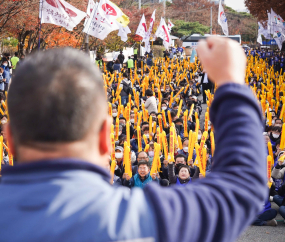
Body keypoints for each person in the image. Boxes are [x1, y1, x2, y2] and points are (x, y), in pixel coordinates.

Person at [0, 37, 267, 242]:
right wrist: (231, 82)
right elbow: (242, 186)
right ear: (106, 138)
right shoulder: (139, 219)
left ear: (9, 140)